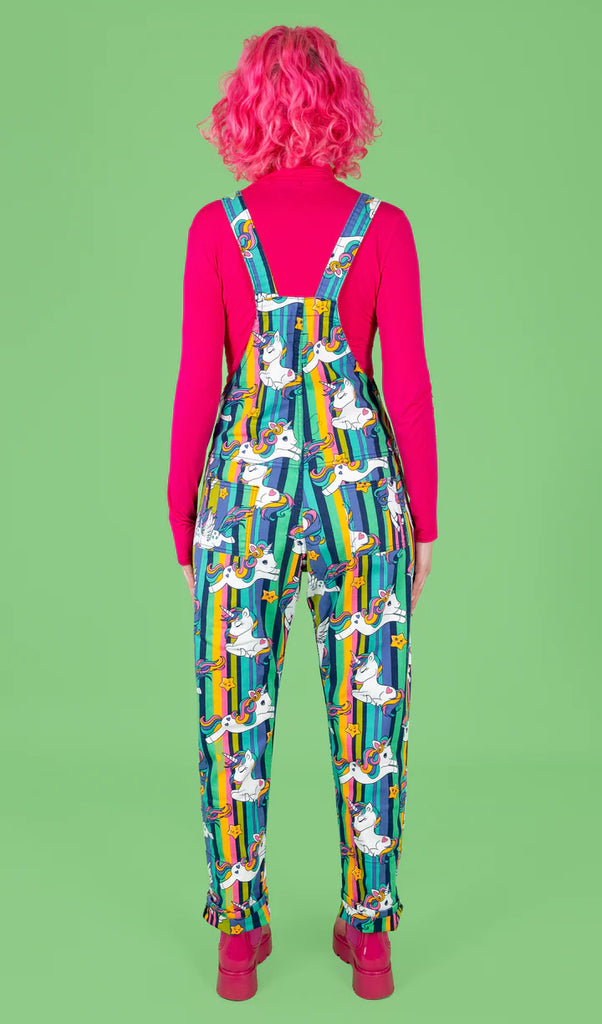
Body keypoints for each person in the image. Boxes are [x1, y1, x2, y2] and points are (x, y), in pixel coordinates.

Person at [167, 24, 438, 1002]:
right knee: (372, 712)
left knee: (233, 714)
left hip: (244, 502)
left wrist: (182, 523)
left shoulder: (215, 230)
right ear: (343, 108)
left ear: (245, 110)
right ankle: (370, 941)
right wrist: (424, 522)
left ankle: (238, 941)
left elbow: (198, 386)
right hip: (361, 497)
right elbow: (406, 385)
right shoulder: (383, 228)